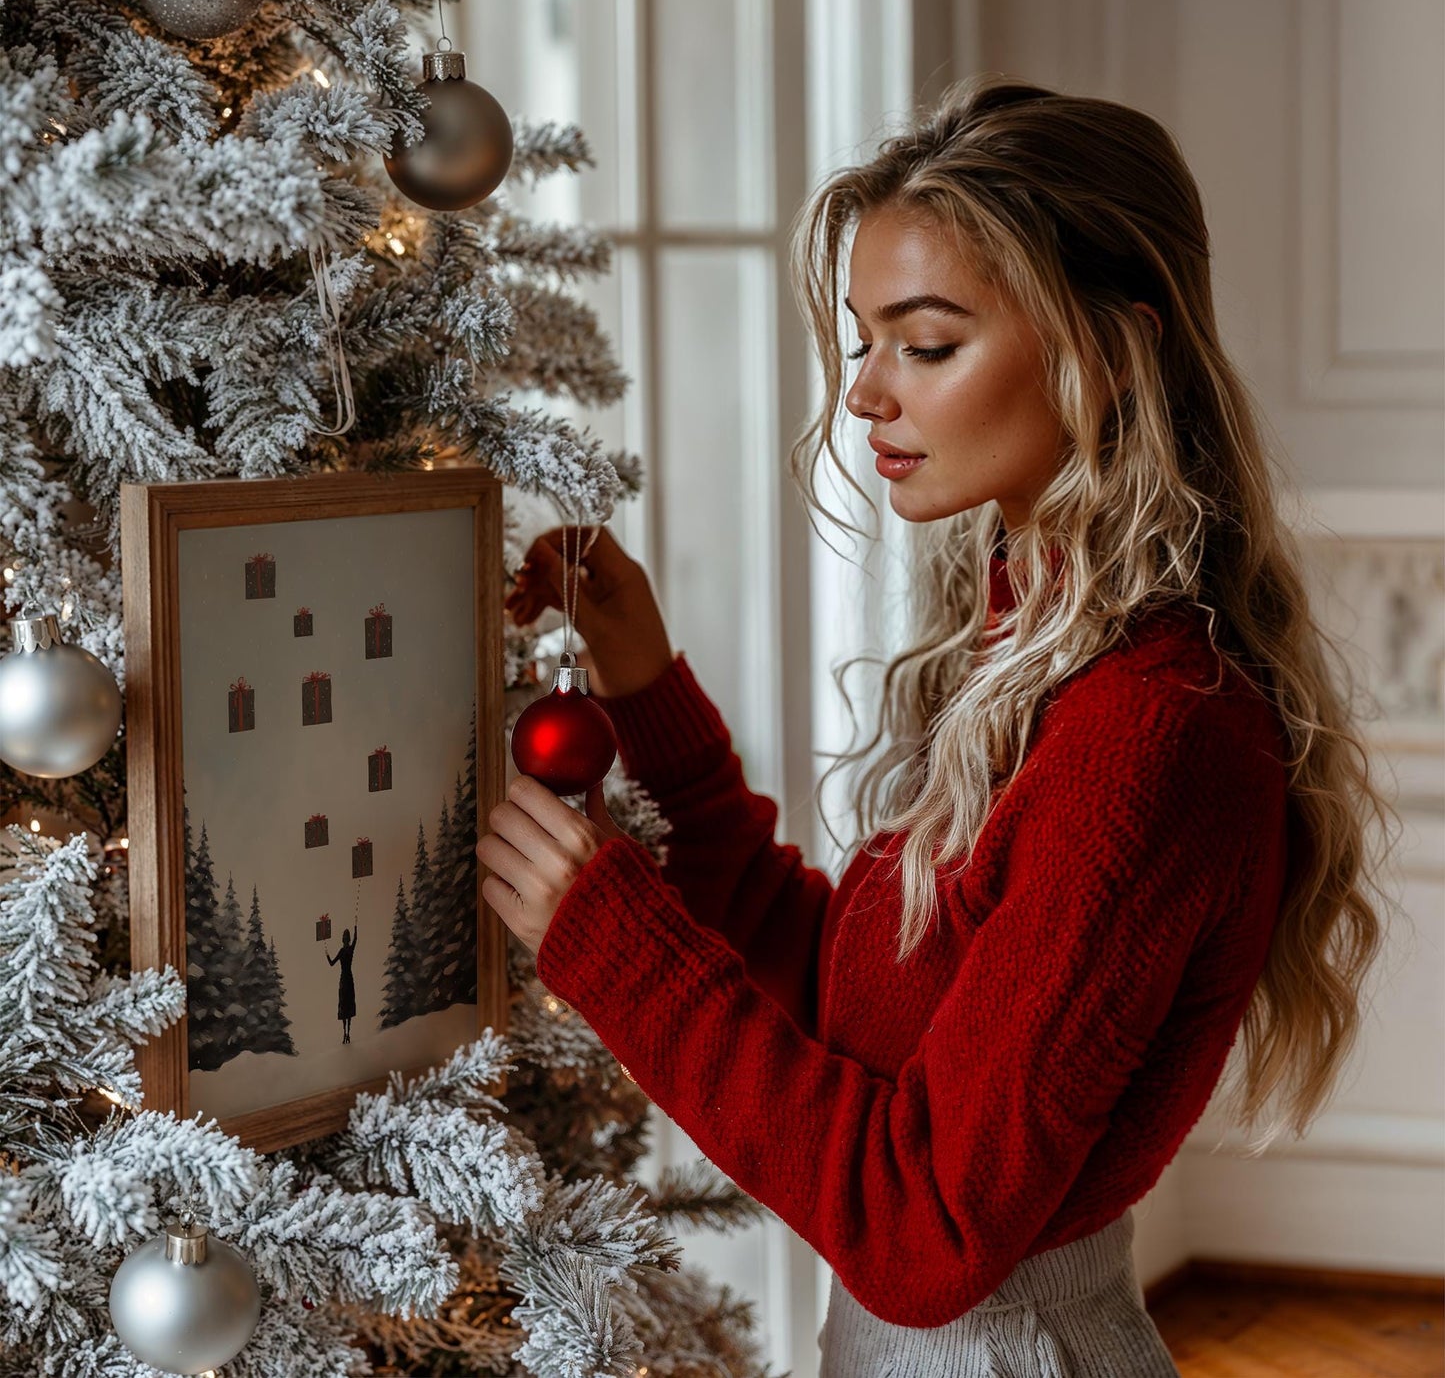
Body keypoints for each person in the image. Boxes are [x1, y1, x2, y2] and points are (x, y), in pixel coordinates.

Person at [482, 73, 1399, 1375]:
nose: (864, 396)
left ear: (1109, 352)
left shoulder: (1148, 732)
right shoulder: (1040, 653)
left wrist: (612, 944)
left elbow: (923, 1232)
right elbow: (845, 1006)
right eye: (863, 342)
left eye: (924, 343)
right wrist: (647, 695)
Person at [326, 924, 358, 1045]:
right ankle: (348, 1033)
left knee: (343, 1005)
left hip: (343, 980)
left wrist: (327, 954)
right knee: (349, 1005)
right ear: (348, 939)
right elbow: (356, 940)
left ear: (343, 939)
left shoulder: (342, 951)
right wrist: (355, 928)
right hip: (349, 979)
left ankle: (345, 1033)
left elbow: (331, 963)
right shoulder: (350, 949)